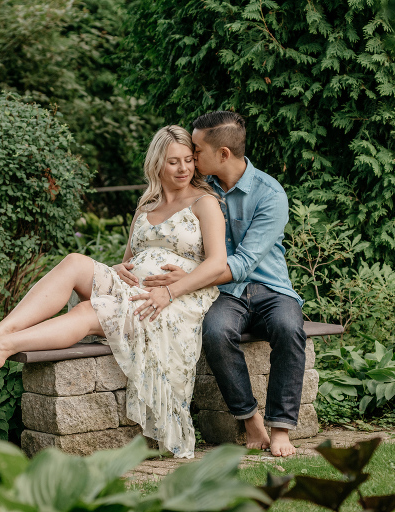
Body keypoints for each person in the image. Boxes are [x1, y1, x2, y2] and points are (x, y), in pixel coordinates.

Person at [0, 125, 227, 458]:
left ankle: (3, 346)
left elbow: (216, 264)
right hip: (134, 288)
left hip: (173, 301)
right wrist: (118, 269)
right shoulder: (146, 205)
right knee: (74, 262)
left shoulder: (204, 202)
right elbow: (129, 261)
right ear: (157, 164)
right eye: (173, 162)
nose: (184, 169)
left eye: (188, 160)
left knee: (87, 311)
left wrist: (176, 285)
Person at [140, 111, 306, 457]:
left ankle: (281, 429)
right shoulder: (203, 188)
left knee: (289, 328)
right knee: (215, 332)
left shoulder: (270, 194)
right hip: (224, 292)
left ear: (223, 154)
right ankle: (250, 419)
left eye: (197, 151)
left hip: (271, 289)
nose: (192, 158)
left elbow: (244, 262)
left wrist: (186, 280)